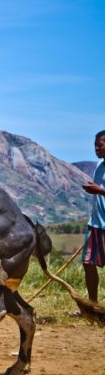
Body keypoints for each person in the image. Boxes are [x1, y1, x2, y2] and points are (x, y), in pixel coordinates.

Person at [81, 130, 105, 303]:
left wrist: (99, 190)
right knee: (88, 263)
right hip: (96, 224)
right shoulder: (99, 165)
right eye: (95, 145)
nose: (96, 148)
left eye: (100, 145)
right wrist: (94, 189)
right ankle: (93, 304)